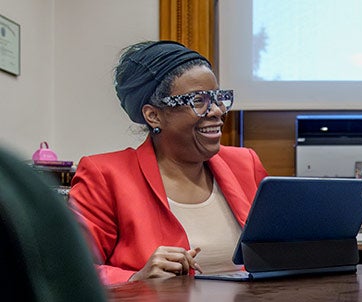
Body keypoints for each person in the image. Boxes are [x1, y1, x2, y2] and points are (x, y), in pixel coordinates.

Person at [68, 41, 268, 285]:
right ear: (154, 115)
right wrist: (135, 277)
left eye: (218, 98)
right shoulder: (105, 176)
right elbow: (67, 270)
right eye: (198, 101)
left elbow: (279, 249)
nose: (216, 111)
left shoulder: (245, 163)